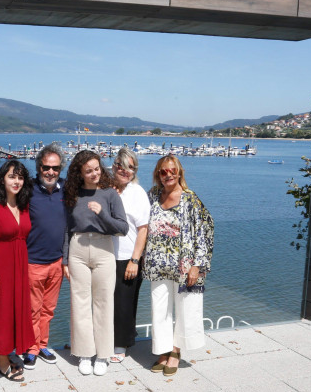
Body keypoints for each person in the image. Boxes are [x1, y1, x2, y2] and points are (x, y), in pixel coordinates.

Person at [0, 143, 66, 369]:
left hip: (54, 261)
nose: (50, 172)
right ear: (38, 168)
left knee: (47, 310)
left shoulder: (63, 190)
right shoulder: (19, 196)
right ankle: (29, 350)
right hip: (29, 263)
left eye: (55, 168)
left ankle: (40, 344)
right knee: (27, 310)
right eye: (46, 167)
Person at [144, 155, 213, 376]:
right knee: (160, 309)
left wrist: (198, 265)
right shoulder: (152, 195)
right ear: (158, 174)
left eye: (172, 170)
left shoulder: (190, 199)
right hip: (157, 264)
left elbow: (206, 230)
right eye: (163, 172)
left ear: (179, 172)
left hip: (183, 265)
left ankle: (175, 351)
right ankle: (163, 351)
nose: (168, 175)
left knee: (184, 309)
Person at [62, 150, 128, 376]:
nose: (94, 174)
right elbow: (66, 229)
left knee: (103, 303)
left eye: (97, 169)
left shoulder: (110, 194)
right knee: (79, 303)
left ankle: (103, 354)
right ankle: (84, 353)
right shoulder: (72, 193)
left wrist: (102, 214)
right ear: (79, 173)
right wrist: (64, 260)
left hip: (103, 249)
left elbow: (122, 228)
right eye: (88, 170)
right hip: (78, 248)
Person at [0, 160, 34, 381]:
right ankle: (2, 362)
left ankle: (9, 352)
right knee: (0, 314)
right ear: (2, 178)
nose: (16, 181)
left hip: (19, 269)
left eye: (20, 177)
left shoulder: (24, 206)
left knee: (15, 313)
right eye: (12, 176)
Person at [110, 148, 150, 363]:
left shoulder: (138, 193)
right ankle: (106, 339)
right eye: (122, 166)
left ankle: (121, 343)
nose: (126, 171)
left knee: (124, 303)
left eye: (131, 168)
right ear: (115, 165)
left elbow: (143, 228)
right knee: (105, 301)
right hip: (104, 255)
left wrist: (135, 259)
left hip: (127, 256)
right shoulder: (105, 188)